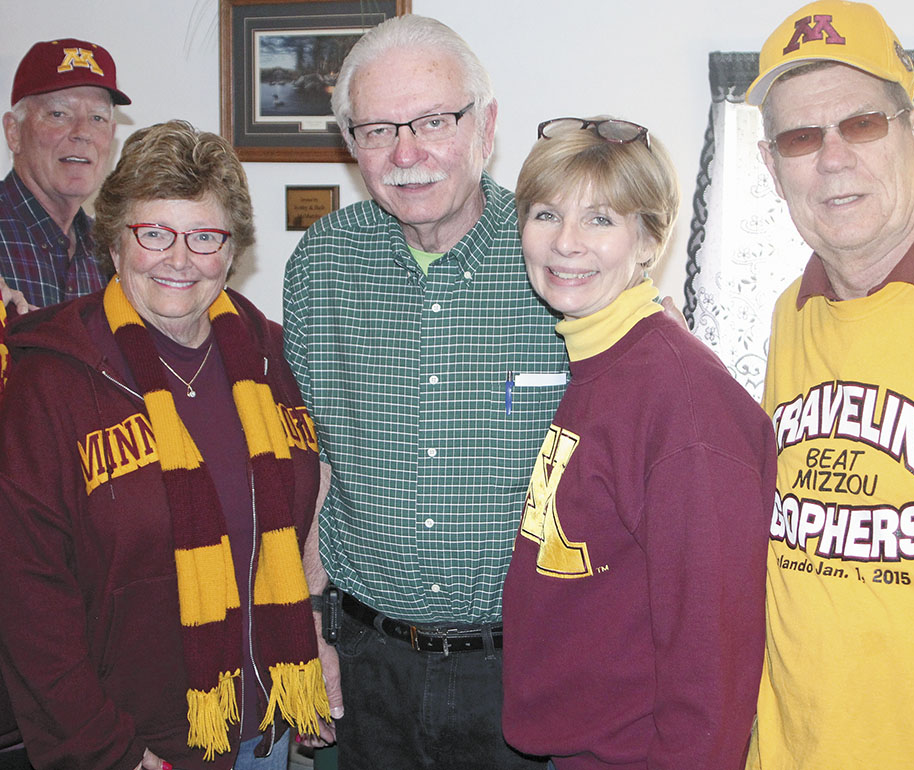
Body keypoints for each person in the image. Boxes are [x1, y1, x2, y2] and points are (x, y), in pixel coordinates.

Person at [283, 14, 569, 769]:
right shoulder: (321, 265)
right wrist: (307, 624)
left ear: (487, 126)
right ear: (352, 146)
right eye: (377, 130)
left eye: (433, 121)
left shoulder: (561, 256)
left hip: (531, 667)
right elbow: (317, 463)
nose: (407, 154)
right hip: (368, 663)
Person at [0, 120, 332, 770]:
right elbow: (28, 598)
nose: (180, 260)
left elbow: (305, 519)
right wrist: (112, 753)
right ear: (115, 243)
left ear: (231, 250)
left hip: (267, 731)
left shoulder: (272, 357)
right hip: (135, 746)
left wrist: (318, 649)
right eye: (154, 233)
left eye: (205, 236)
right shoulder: (51, 378)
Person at [744, 2, 914, 767]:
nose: (831, 159)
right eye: (800, 137)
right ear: (771, 165)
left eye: (860, 125)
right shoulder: (792, 311)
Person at [499, 117, 775, 770]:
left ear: (650, 240)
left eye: (600, 219)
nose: (566, 243)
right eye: (545, 214)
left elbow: (715, 650)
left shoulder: (681, 400)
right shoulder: (602, 360)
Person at [0, 37, 128, 308]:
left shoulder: (113, 253)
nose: (83, 133)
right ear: (14, 132)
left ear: (112, 135)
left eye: (97, 118)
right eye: (59, 114)